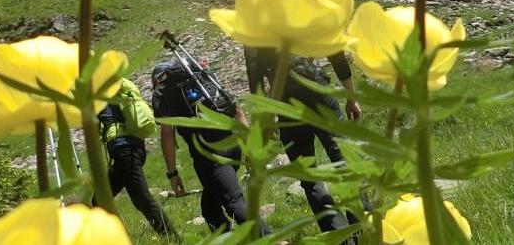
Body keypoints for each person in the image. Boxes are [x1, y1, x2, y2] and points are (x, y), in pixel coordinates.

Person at [244, 47, 363, 243]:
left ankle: (341, 239)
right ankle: (364, 232)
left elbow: (255, 74)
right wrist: (351, 95)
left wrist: (269, 114)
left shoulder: (255, 25)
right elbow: (333, 48)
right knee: (345, 162)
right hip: (317, 89)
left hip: (286, 103)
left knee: (309, 177)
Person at [151, 58, 255, 234]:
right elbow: (237, 111)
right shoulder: (202, 80)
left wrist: (173, 173)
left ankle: (272, 239)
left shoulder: (163, 92)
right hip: (233, 146)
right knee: (210, 209)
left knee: (233, 202)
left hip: (209, 155)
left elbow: (167, 133)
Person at [95, 76, 173, 236]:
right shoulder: (116, 84)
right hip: (133, 147)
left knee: (142, 199)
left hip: (125, 151)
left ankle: (173, 238)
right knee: (99, 201)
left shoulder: (98, 88)